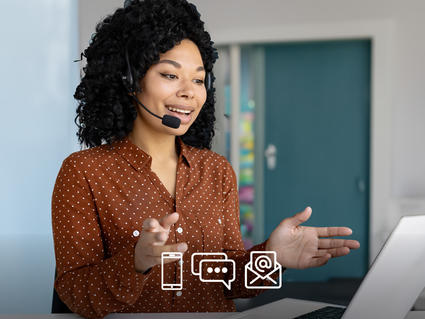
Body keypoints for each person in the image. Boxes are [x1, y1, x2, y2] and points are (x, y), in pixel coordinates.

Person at [51, 0, 360, 318]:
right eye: (171, 75)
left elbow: (230, 281)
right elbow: (75, 293)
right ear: (130, 81)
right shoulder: (84, 172)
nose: (190, 92)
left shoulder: (216, 170)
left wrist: (272, 256)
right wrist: (136, 262)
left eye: (198, 80)